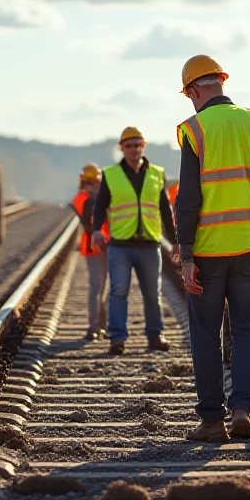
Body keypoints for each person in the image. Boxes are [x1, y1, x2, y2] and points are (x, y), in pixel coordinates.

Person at [175, 56, 250, 443]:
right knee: (246, 331)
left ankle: (212, 422)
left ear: (193, 90)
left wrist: (186, 255)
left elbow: (187, 198)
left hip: (208, 251)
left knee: (205, 334)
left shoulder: (194, 129)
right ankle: (241, 410)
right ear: (220, 81)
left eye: (188, 94)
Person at [92, 126, 178, 355]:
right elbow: (100, 205)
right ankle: (117, 338)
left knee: (152, 293)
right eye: (128, 146)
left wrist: (176, 241)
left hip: (150, 244)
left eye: (137, 145)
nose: (133, 150)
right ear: (122, 148)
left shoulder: (157, 174)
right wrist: (96, 230)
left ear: (143, 146)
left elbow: (165, 210)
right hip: (121, 244)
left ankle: (155, 335)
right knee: (118, 291)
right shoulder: (110, 174)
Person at [71, 164, 109, 341]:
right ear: (93, 183)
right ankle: (94, 326)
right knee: (97, 288)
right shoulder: (85, 199)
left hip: (102, 246)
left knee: (102, 288)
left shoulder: (87, 198)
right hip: (95, 247)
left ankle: (102, 325)